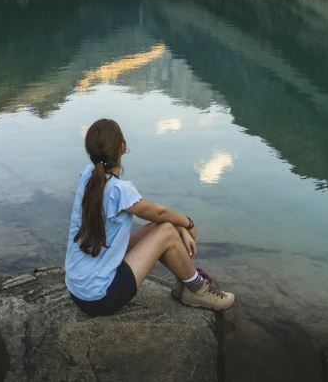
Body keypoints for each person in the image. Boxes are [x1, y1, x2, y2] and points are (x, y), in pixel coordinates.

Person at [65, 118, 235, 317]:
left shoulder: (87, 177)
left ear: (90, 152)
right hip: (102, 297)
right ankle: (197, 289)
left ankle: (185, 283)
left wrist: (179, 227)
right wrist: (188, 224)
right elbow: (160, 213)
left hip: (78, 290)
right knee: (166, 232)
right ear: (123, 146)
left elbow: (159, 217)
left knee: (163, 228)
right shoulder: (121, 190)